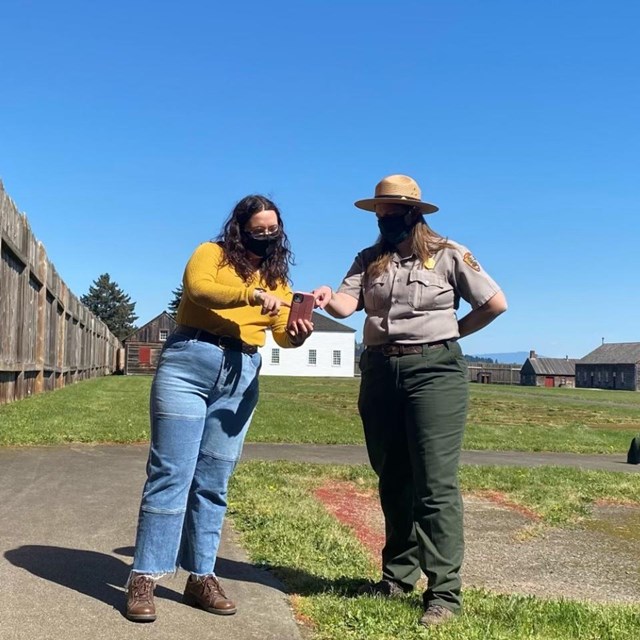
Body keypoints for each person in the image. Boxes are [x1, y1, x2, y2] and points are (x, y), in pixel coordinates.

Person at [313, 174, 507, 628]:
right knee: (392, 476)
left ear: (413, 212)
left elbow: (494, 303)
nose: (384, 218)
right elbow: (346, 303)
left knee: (434, 484)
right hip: (380, 370)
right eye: (379, 211)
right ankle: (398, 575)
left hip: (434, 373)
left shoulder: (448, 254)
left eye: (392, 210)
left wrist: (452, 333)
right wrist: (326, 298)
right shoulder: (370, 259)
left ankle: (444, 593)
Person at [126, 194, 313, 622]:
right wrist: (251, 294)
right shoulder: (210, 254)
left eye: (273, 231)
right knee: (171, 472)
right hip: (189, 362)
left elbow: (283, 334)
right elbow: (200, 290)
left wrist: (298, 332)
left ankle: (200, 576)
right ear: (239, 227)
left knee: (214, 479)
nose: (266, 237)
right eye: (258, 230)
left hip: (241, 372)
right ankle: (144, 576)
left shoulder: (278, 278)